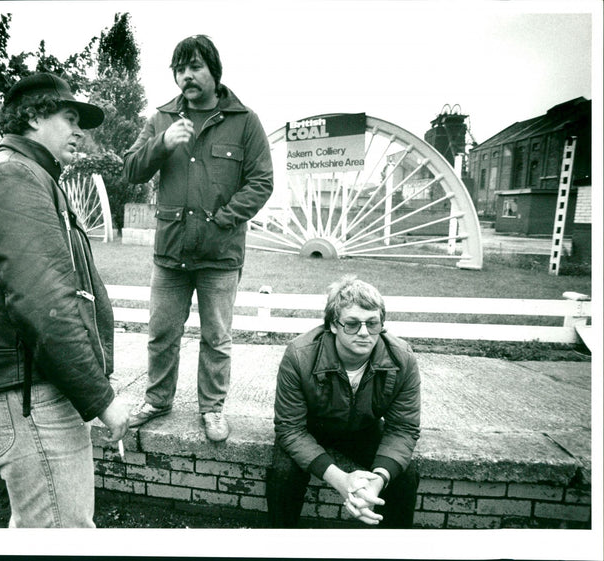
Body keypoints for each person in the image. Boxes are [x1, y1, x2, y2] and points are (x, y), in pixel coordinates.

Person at [0, 72, 129, 528]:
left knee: (36, 524)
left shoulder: (26, 175)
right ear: (32, 116)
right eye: (69, 116)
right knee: (62, 533)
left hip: (27, 389)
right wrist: (101, 399)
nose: (79, 129)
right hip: (28, 396)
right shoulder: (16, 177)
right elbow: (46, 305)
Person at [123, 35, 273, 442]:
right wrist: (161, 143)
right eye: (180, 68)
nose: (186, 76)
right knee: (161, 333)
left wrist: (223, 220)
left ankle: (212, 408)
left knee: (217, 338)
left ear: (213, 70)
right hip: (170, 252)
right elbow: (131, 170)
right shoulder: (161, 119)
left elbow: (261, 182)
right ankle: (157, 399)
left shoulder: (246, 121)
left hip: (220, 254)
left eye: (195, 67)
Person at [265, 276, 421, 528]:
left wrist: (377, 480)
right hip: (309, 427)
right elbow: (290, 428)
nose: (363, 332)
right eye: (351, 324)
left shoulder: (402, 359)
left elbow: (403, 428)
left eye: (372, 323)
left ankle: (396, 552)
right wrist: (340, 480)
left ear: (382, 324)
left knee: (404, 476)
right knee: (283, 475)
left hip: (363, 428)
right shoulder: (299, 354)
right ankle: (281, 546)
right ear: (333, 325)